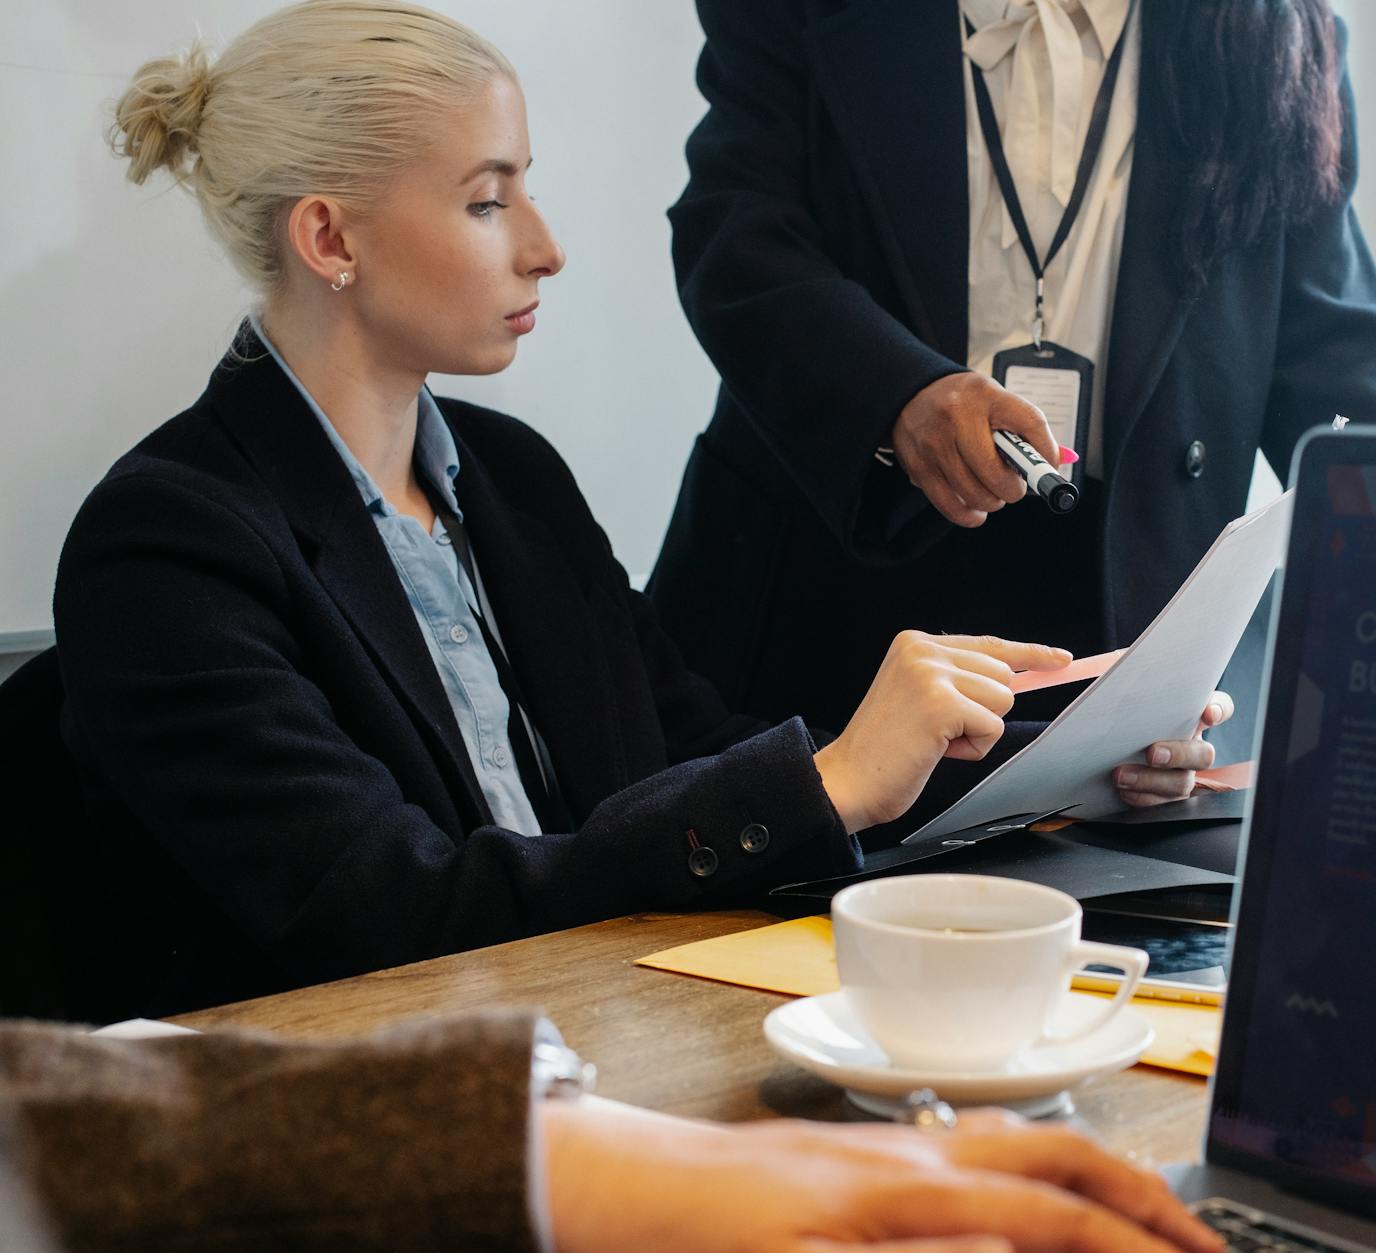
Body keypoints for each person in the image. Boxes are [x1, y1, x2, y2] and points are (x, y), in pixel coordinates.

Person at [56, 0, 1228, 1018]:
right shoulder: (166, 548)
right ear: (328, 236)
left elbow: (695, 750)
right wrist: (825, 783)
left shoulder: (514, 483)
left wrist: (1073, 748)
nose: (546, 248)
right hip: (376, 1129)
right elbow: (390, 912)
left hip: (606, 1040)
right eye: (485, 202)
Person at [651, 0, 1376, 738]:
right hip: (824, 593)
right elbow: (734, 232)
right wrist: (899, 395)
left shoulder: (1274, 25)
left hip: (1126, 619)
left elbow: (1337, 372)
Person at [0, 1011, 1222, 1252]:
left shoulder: (510, 481)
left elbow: (661, 752)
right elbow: (380, 884)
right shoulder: (170, 527)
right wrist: (541, 1153)